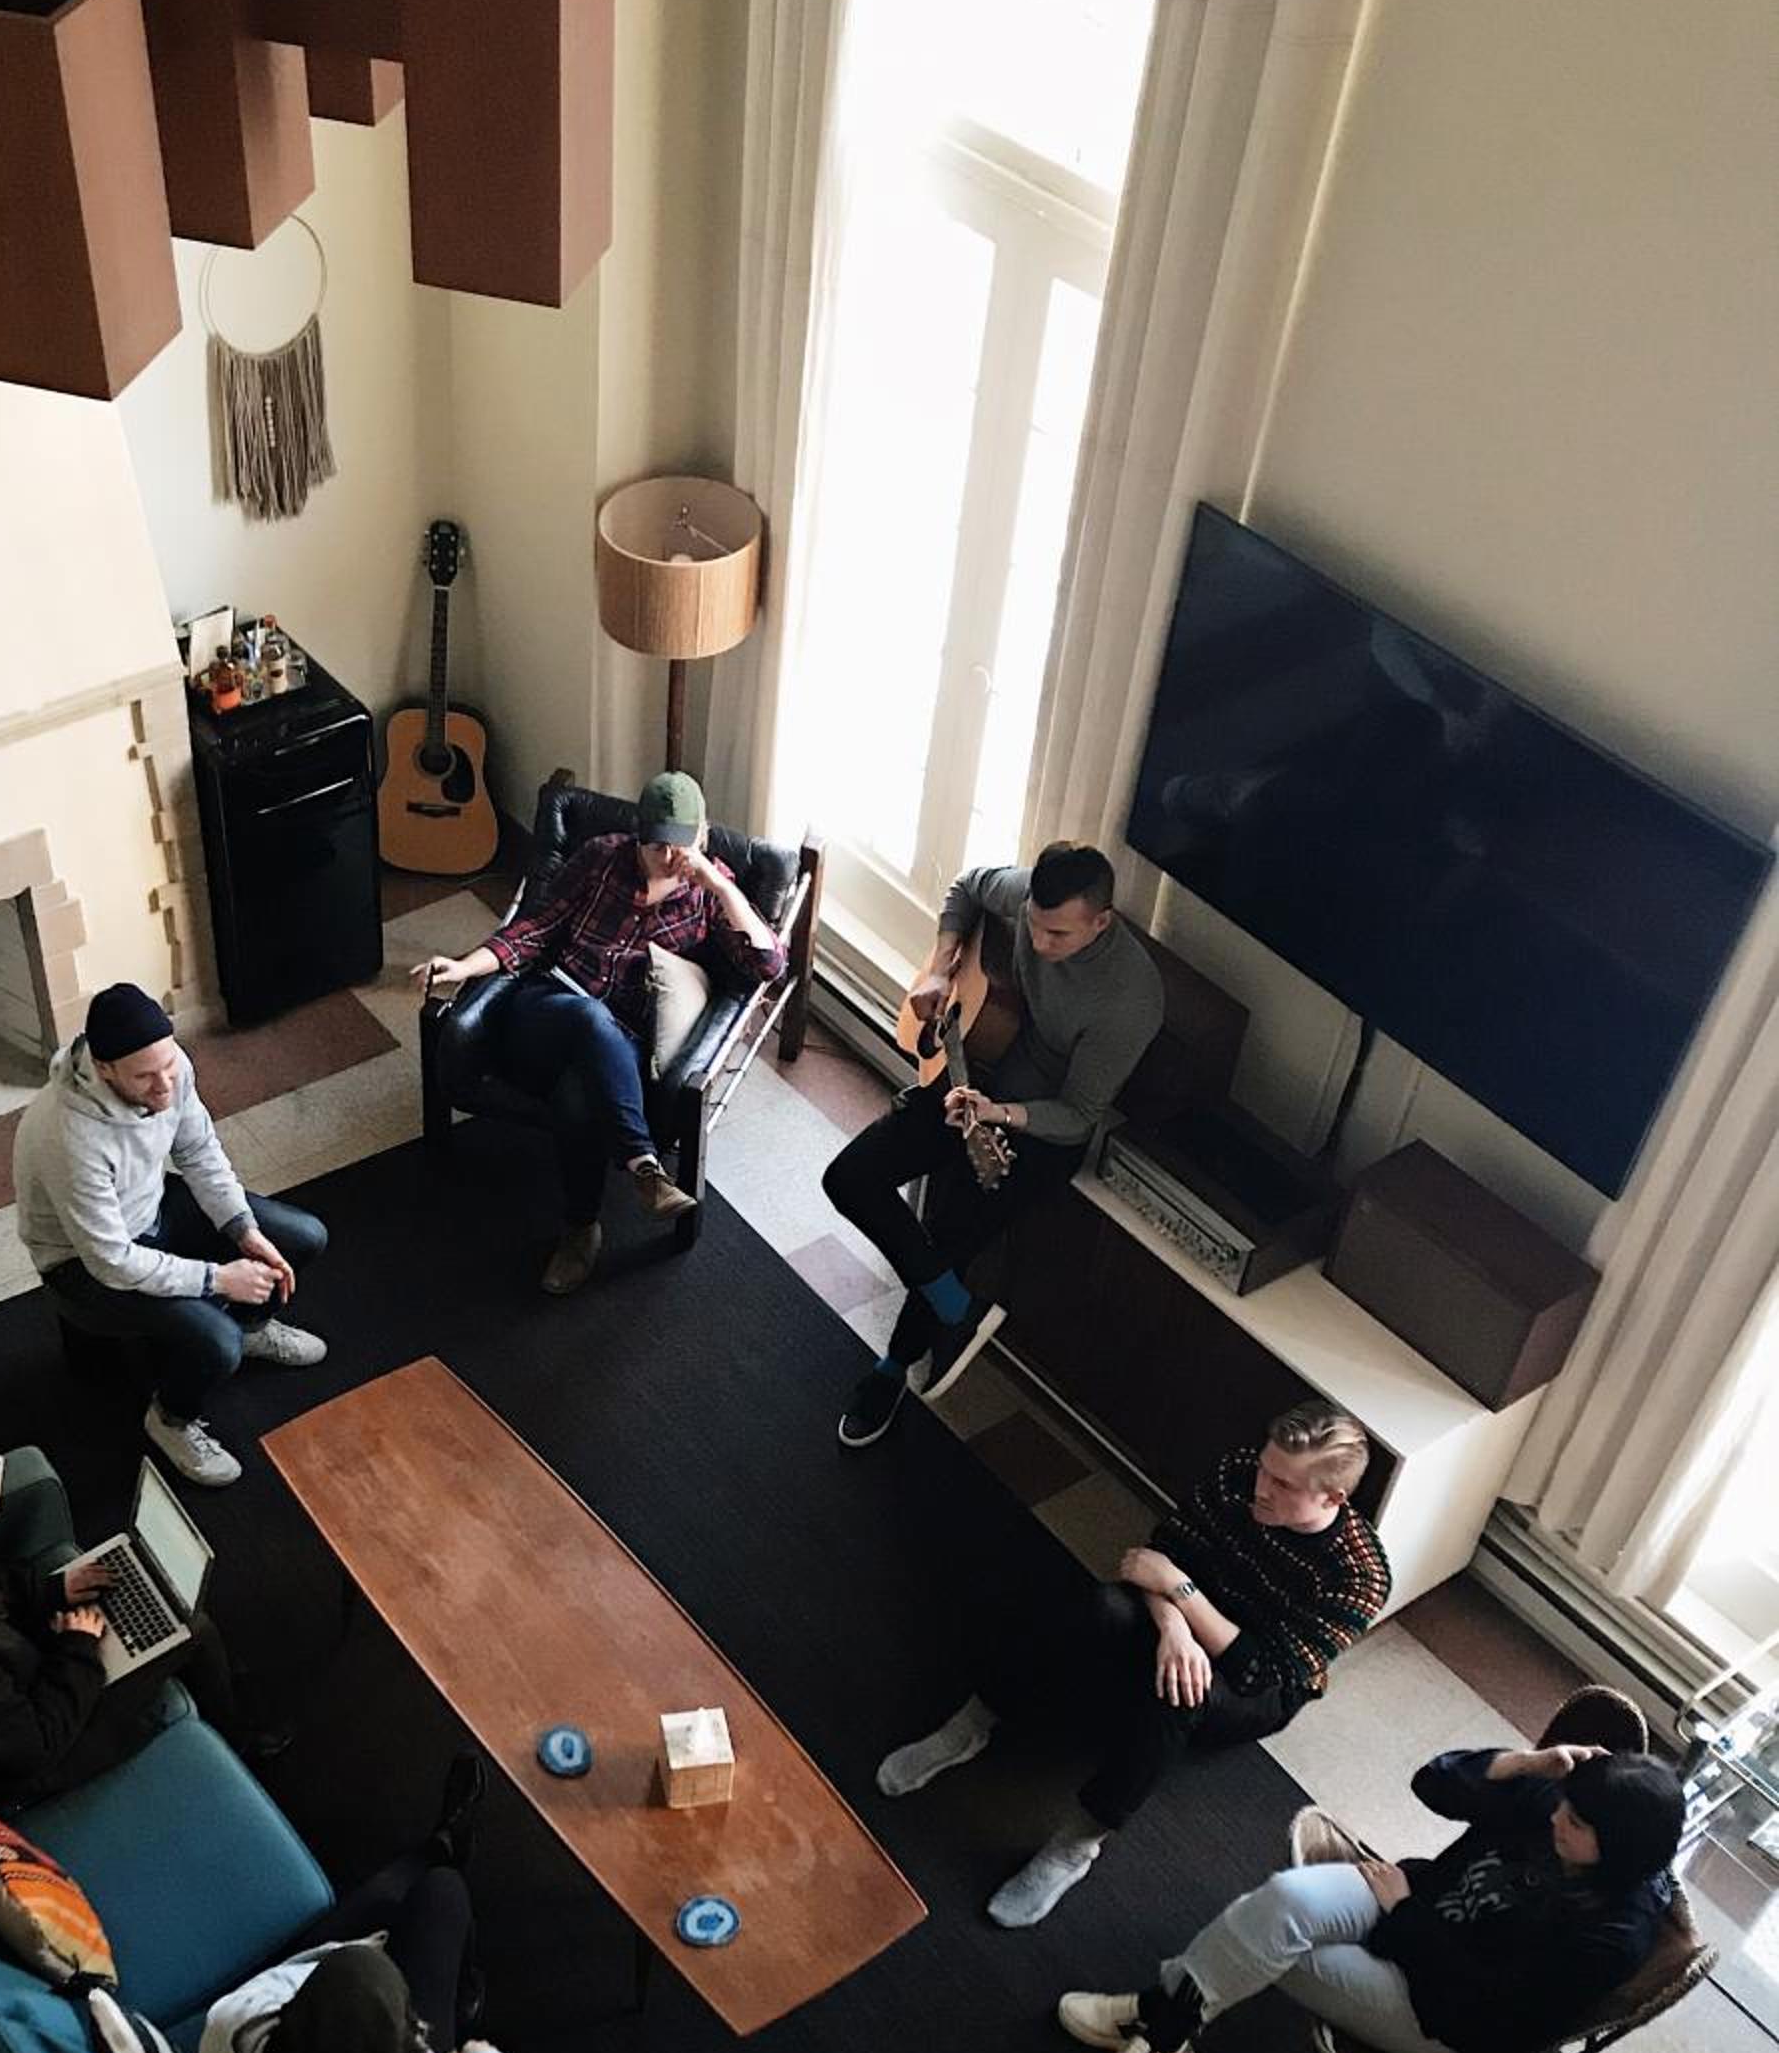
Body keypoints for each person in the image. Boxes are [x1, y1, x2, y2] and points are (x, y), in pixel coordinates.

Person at [879, 1402, 1392, 1927]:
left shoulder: (1359, 1577)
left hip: (1255, 1681)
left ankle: (1078, 1844)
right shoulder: (1239, 1472)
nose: (1262, 1487)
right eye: (1265, 1467)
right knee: (1098, 1607)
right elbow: (1159, 1557)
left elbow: (1258, 1670)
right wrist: (1173, 1627)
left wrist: (1181, 1593)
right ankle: (974, 1722)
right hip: (1182, 1612)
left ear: (1333, 1497)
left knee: (1181, 1696)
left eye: (1283, 1484)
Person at [1058, 1741, 1687, 2053]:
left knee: (1269, 1944)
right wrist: (1523, 1763)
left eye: (1575, 1825)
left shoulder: (1612, 1937)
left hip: (1432, 2011)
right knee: (1278, 1904)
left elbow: (1488, 2009)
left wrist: (1406, 1916)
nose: (1556, 1821)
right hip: (1408, 1903)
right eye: (1563, 1807)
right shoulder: (1559, 1805)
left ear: (1617, 1848)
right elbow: (1434, 1783)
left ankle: (1159, 2027)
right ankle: (1166, 2032)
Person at [823, 841, 1164, 1448]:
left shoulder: (1128, 1002)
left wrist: (997, 1113)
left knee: (948, 1237)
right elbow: (968, 886)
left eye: (1058, 934)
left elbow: (1079, 1116)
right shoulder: (1027, 895)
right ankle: (960, 1310)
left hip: (1038, 1128)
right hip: (975, 1068)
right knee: (847, 1178)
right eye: (1033, 923)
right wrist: (940, 966)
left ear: (1102, 922)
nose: (1039, 942)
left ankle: (892, 1369)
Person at [414, 771, 776, 1295]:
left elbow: (767, 965)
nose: (669, 858)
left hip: (618, 1049)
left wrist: (719, 886)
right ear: (638, 835)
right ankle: (643, 1162)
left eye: (681, 846)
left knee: (578, 1100)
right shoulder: (603, 857)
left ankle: (581, 1229)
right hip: (547, 1010)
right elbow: (532, 929)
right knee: (587, 1016)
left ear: (702, 835)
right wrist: (464, 966)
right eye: (656, 846)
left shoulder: (707, 893)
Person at [14, 979, 329, 1490]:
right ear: (104, 1068)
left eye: (168, 1067)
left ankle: (252, 1326)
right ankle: (171, 1419)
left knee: (302, 1237)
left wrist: (242, 1229)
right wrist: (218, 1280)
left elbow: (199, 1152)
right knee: (218, 1343)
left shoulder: (169, 1067)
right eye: (145, 1077)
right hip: (82, 1265)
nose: (165, 1086)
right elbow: (112, 1261)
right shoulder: (68, 1137)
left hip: (152, 1207)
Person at [193, 1763, 529, 2053]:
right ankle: (460, 1980)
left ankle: (439, 1845)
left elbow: (314, 1969)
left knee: (383, 1915)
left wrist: (367, 1956)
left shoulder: (233, 2022)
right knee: (443, 1894)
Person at [0, 1468, 269, 1807]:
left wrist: (51, 1590)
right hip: (34, 1759)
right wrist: (77, 1648)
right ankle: (237, 1735)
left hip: (9, 1693)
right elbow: (33, 1748)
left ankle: (217, 1685)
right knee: (192, 1628)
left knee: (134, 1606)